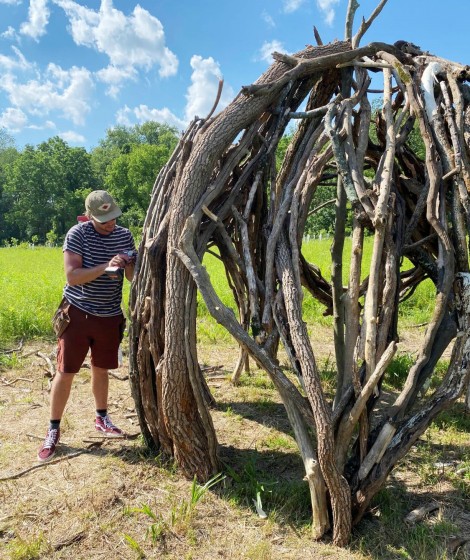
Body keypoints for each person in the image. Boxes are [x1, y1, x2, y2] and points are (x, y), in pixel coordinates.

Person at [37, 190, 136, 462]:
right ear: (90, 215)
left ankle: (101, 418)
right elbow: (73, 276)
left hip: (109, 315)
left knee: (101, 369)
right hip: (78, 313)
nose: (110, 224)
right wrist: (107, 265)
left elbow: (130, 277)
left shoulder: (124, 235)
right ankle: (53, 429)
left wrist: (130, 263)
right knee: (66, 371)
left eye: (113, 217)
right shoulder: (77, 234)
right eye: (104, 219)